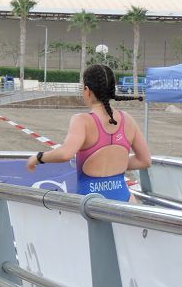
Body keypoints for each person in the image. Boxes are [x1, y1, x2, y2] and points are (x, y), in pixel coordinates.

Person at [26, 63, 151, 200]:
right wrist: (114, 162)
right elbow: (144, 160)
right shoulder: (128, 120)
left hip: (91, 205)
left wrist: (38, 158)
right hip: (124, 200)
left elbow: (65, 153)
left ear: (87, 90)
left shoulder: (82, 121)